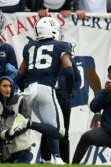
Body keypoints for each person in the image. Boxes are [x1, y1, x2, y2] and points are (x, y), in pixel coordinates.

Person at [12, 17, 75, 164]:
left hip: (30, 89)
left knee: (48, 125)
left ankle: (56, 158)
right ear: (52, 30)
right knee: (59, 131)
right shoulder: (61, 45)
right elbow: (70, 72)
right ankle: (27, 124)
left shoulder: (29, 47)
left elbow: (20, 76)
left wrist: (24, 92)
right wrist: (69, 90)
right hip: (46, 89)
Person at [39, 55, 81, 164]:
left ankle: (65, 162)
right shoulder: (44, 59)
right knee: (46, 131)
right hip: (48, 99)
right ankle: (45, 160)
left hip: (64, 100)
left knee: (64, 133)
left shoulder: (68, 60)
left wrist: (71, 93)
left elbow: (77, 78)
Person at [0, 77, 32, 163]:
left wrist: (11, 133)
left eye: (10, 86)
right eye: (5, 86)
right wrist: (5, 134)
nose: (8, 89)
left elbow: (25, 123)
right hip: (5, 153)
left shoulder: (21, 99)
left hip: (21, 150)